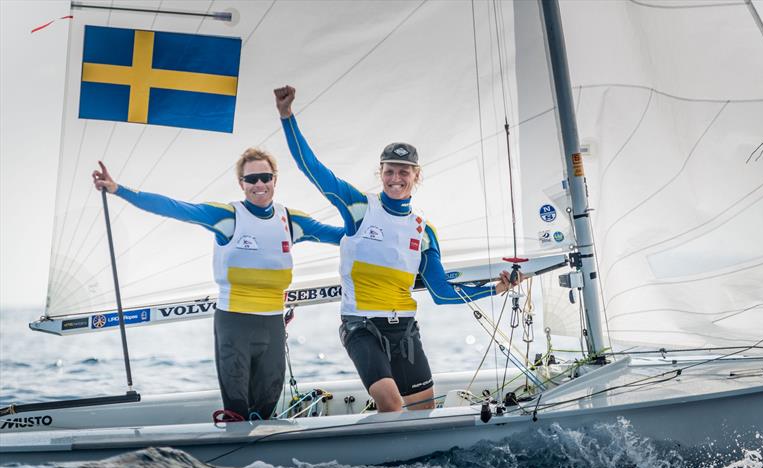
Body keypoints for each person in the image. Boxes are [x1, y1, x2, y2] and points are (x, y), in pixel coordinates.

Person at [274, 86, 523, 412]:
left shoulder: (424, 231)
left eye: (403, 172)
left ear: (416, 177)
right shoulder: (360, 207)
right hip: (361, 327)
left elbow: (443, 293)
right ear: (380, 174)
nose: (395, 178)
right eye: (389, 171)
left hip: (405, 331)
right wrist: (287, 116)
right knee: (392, 405)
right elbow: (313, 169)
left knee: (423, 413)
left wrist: (496, 288)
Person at [91, 149, 344, 421]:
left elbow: (341, 236)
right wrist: (119, 190)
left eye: (265, 177)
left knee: (267, 406)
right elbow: (174, 207)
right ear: (241, 184)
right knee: (237, 410)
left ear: (274, 180)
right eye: (252, 179)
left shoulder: (291, 220)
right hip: (235, 325)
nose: (259, 184)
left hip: (272, 325)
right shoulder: (226, 217)